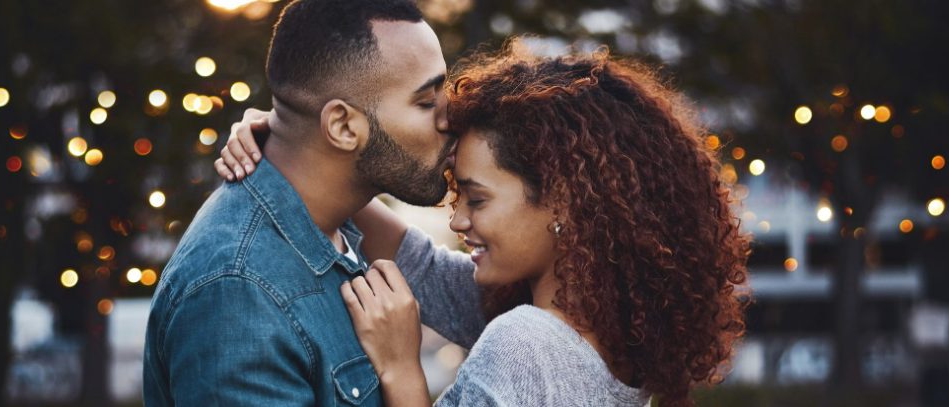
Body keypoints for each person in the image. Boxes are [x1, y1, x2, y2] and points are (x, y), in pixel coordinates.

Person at [220, 43, 752, 406]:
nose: (457, 219)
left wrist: (403, 371)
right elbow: (418, 262)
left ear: (564, 202)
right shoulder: (614, 332)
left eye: (476, 199)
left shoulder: (526, 344)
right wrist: (304, 142)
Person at [142, 0, 458, 405]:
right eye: (427, 101)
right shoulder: (238, 293)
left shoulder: (334, 221)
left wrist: (287, 132)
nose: (451, 118)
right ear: (343, 126)